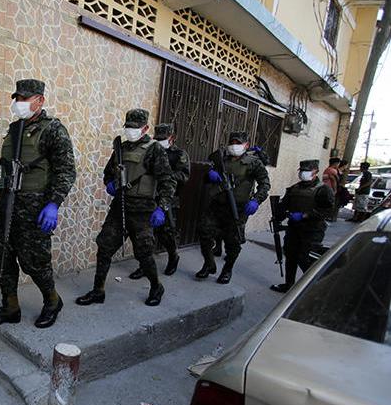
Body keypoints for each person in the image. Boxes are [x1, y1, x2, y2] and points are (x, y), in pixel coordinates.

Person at [0, 79, 76, 329]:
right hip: (7, 205)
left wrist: (54, 204)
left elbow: (66, 170)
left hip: (35, 210)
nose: (19, 103)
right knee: (2, 256)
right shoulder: (14, 129)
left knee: (35, 261)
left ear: (40, 100)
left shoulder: (53, 129)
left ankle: (53, 301)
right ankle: (10, 307)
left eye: (24, 99)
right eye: (17, 99)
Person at [76, 109, 175, 307]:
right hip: (120, 206)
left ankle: (156, 286)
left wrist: (161, 208)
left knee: (144, 253)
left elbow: (167, 181)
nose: (130, 130)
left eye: (134, 127)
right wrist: (110, 183)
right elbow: (108, 173)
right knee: (104, 247)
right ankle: (98, 290)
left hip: (143, 210)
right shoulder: (120, 148)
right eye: (128, 127)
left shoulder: (155, 149)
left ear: (145, 128)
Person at [196, 131, 270, 284]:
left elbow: (265, 184)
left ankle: (227, 269)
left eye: (238, 143)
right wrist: (209, 175)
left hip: (238, 208)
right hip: (217, 206)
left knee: (233, 242)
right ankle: (209, 263)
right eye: (233, 143)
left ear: (246, 145)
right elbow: (206, 179)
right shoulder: (221, 159)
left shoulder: (253, 162)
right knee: (204, 233)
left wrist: (256, 200)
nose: (234, 146)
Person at [129, 123, 189, 278]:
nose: (159, 141)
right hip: (149, 197)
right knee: (145, 235)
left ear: (172, 138)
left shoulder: (179, 154)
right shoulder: (151, 151)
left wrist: (164, 175)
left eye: (163, 138)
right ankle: (144, 266)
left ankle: (173, 256)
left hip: (168, 198)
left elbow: (184, 176)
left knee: (166, 233)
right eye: (157, 138)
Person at [270, 159, 334, 293]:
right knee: (291, 256)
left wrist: (305, 215)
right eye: (302, 171)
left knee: (306, 259)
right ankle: (289, 284)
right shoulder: (294, 188)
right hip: (294, 228)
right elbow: (284, 205)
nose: (303, 173)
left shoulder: (323, 190)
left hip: (312, 230)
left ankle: (313, 289)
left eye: (307, 171)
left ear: (315, 172)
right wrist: (278, 215)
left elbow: (327, 211)